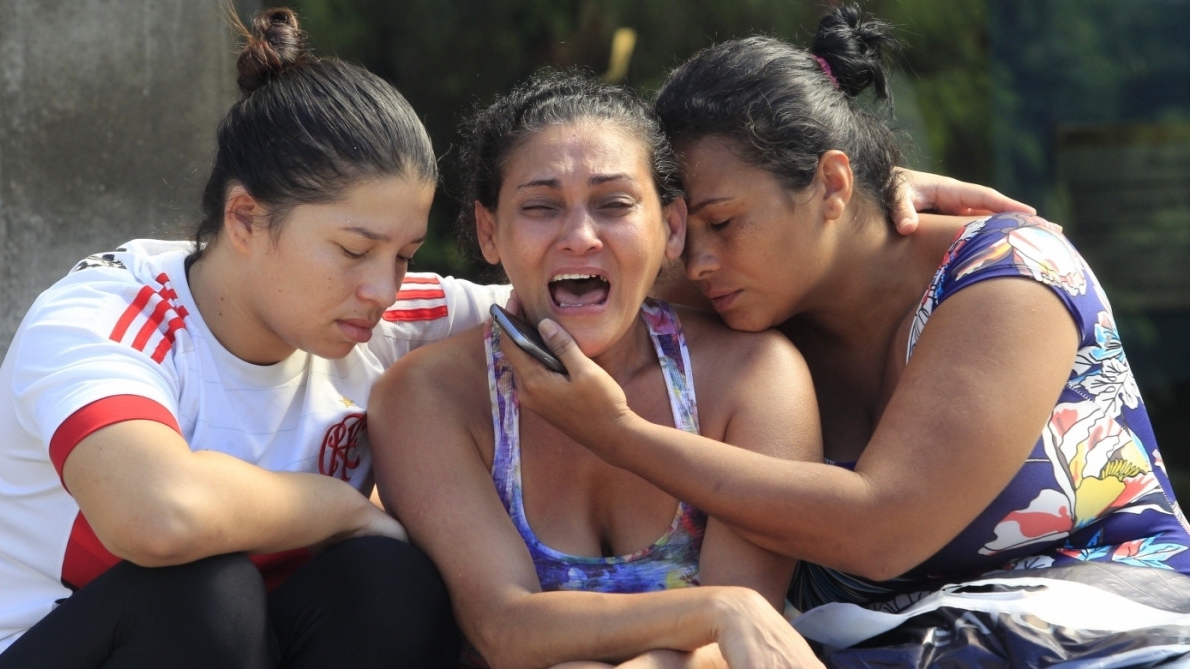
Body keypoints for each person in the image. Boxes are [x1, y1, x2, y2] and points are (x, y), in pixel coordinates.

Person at [494, 6, 1190, 665]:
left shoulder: (1011, 276)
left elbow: (882, 529)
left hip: (1105, 632)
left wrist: (618, 433)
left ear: (832, 182)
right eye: (679, 232)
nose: (695, 261)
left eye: (724, 222)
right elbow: (538, 289)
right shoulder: (745, 290)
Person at [0, 8, 507, 668]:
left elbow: (563, 311)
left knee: (389, 583)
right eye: (354, 250)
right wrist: (341, 507)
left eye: (404, 255)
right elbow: (158, 512)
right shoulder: (104, 317)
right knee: (202, 592)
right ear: (244, 218)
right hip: (49, 641)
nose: (383, 288)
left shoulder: (386, 315)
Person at [367, 72, 824, 669]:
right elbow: (503, 627)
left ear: (672, 228)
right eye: (541, 207)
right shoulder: (430, 396)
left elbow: (744, 650)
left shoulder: (752, 375)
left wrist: (727, 617)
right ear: (489, 232)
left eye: (614, 205)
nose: (580, 237)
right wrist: (720, 608)